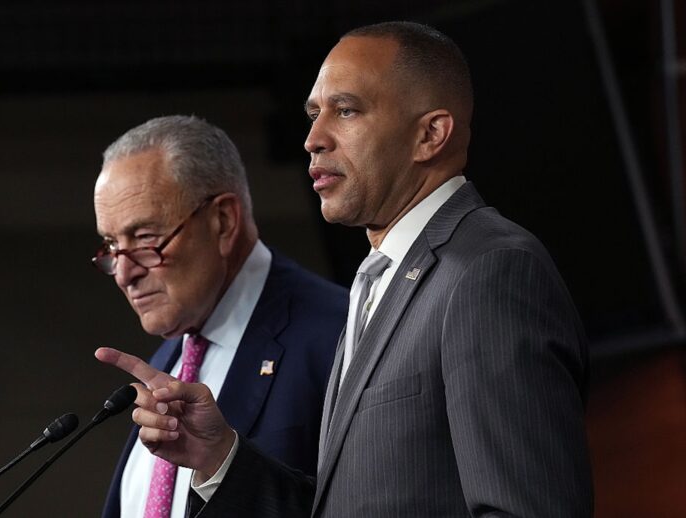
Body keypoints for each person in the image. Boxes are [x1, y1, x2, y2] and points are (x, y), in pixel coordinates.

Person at [98, 22, 594, 517]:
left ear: (430, 134)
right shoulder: (378, 279)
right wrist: (219, 458)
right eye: (314, 114)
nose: (313, 139)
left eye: (347, 110)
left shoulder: (489, 270)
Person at [91, 115, 348, 518]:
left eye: (145, 239)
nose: (124, 274)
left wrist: (223, 465)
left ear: (223, 221)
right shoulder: (167, 364)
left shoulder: (341, 336)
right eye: (111, 245)